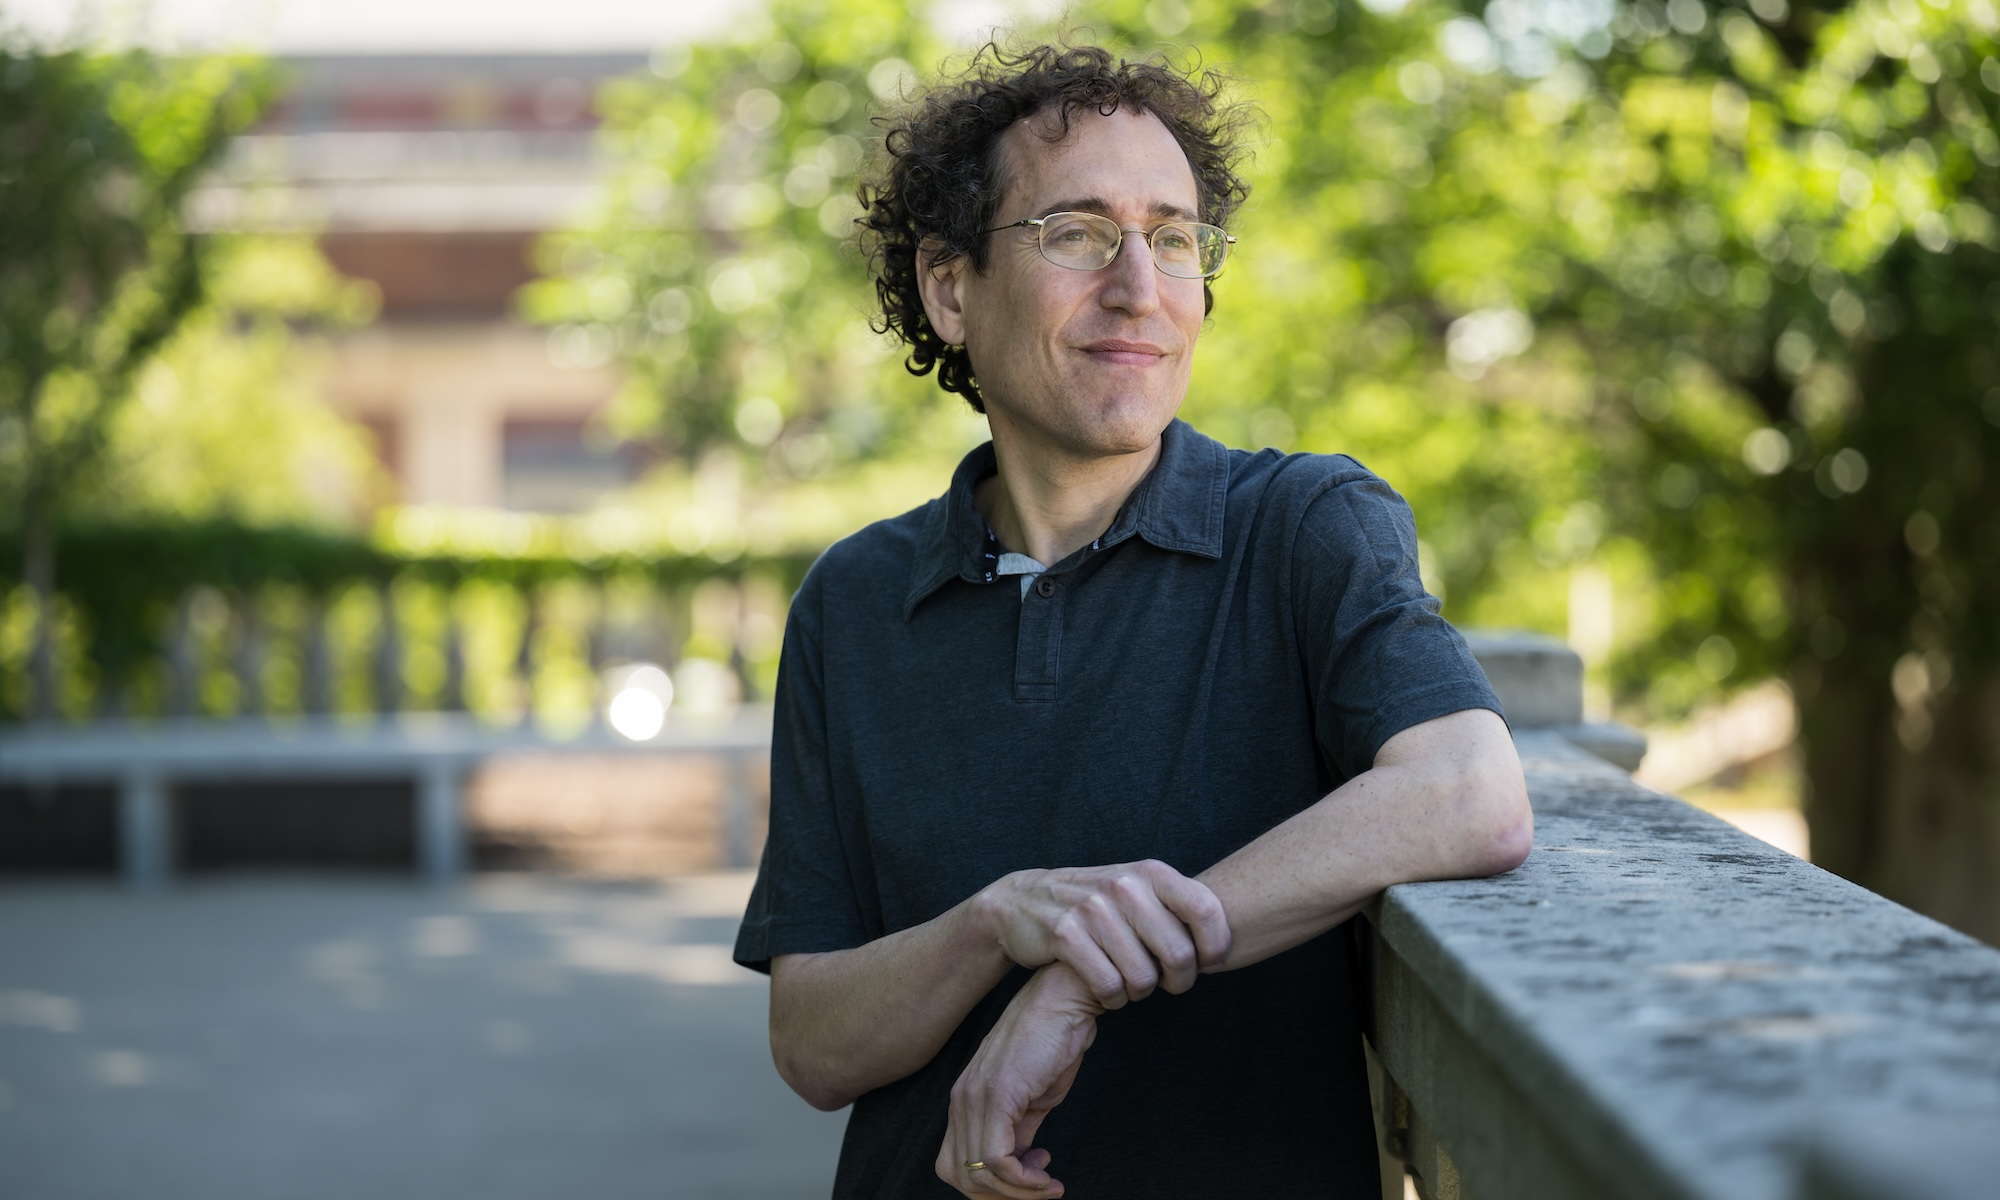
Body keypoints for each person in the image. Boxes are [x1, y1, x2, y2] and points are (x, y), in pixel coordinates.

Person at [733, 43, 1532, 1200]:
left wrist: (1080, 974)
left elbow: (1470, 792)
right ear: (950, 288)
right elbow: (811, 1046)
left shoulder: (1303, 527)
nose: (1138, 287)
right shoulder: (852, 603)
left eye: (1171, 238)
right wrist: (996, 924)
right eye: (1075, 232)